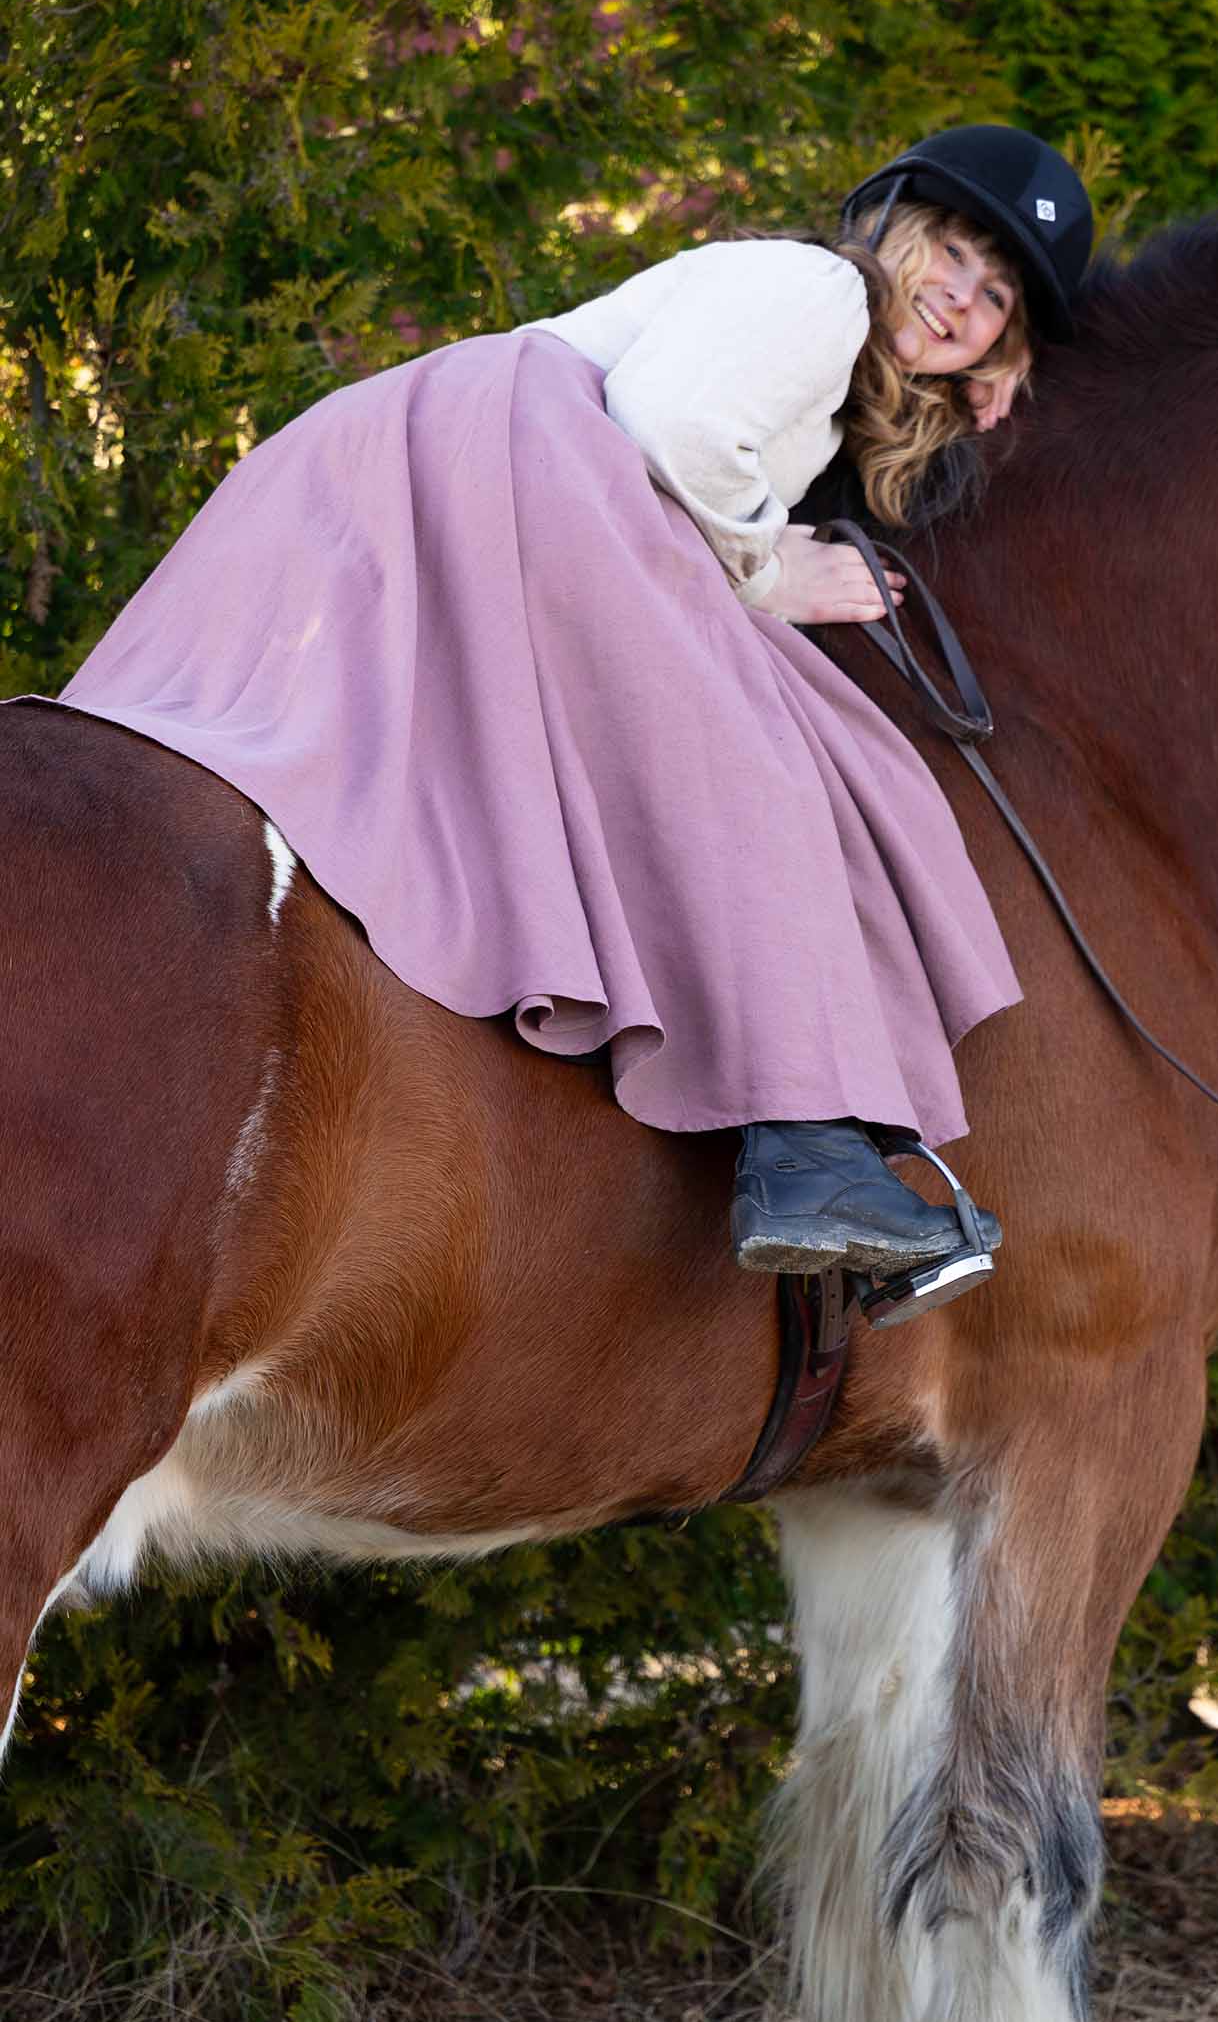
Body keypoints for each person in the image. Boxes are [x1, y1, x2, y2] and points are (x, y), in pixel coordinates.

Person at [53, 124, 1094, 1319]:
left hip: (496, 460)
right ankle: (805, 1146)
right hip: (521, 452)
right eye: (954, 252)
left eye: (996, 296)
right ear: (895, 232)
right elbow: (668, 422)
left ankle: (809, 1133)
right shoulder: (816, 291)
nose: (961, 295)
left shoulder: (828, 369)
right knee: (764, 750)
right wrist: (769, 575)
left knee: (800, 735)